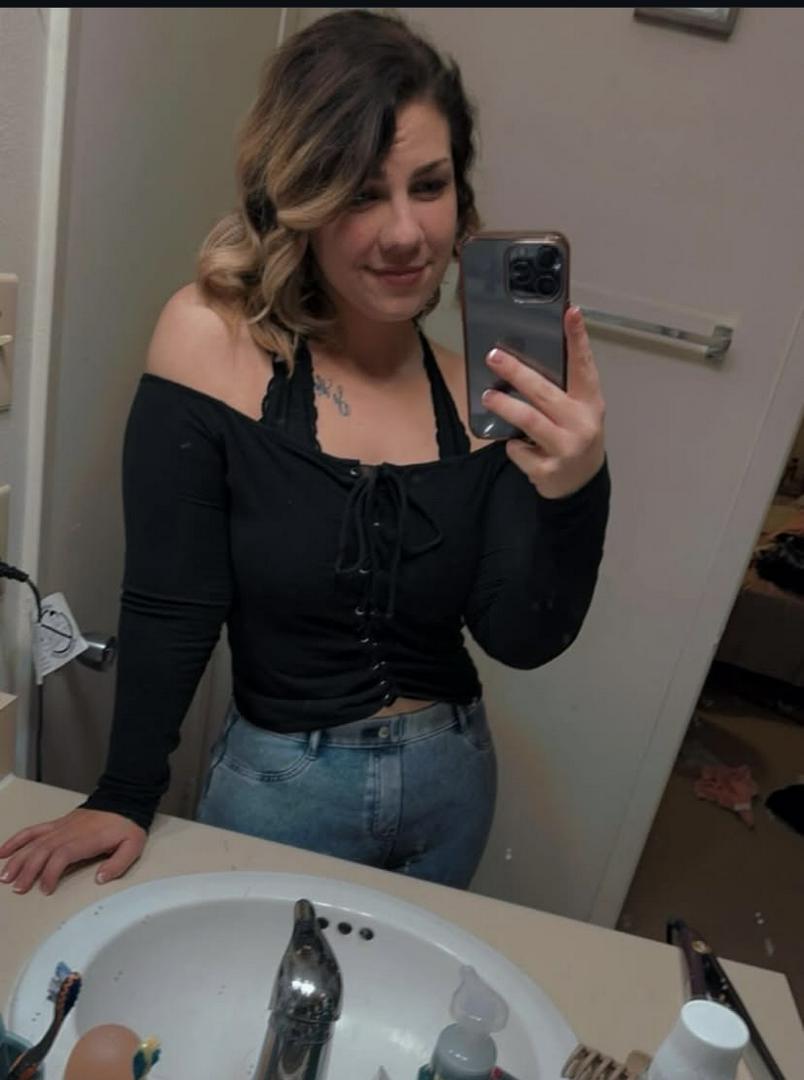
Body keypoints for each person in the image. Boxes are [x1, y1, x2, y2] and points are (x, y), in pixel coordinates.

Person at [0, 9, 609, 896]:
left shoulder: (483, 398)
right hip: (281, 787)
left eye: (429, 186)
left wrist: (579, 485)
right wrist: (125, 792)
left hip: (455, 783)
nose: (405, 233)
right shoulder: (210, 344)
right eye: (360, 193)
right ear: (300, 200)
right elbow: (174, 600)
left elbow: (520, 638)